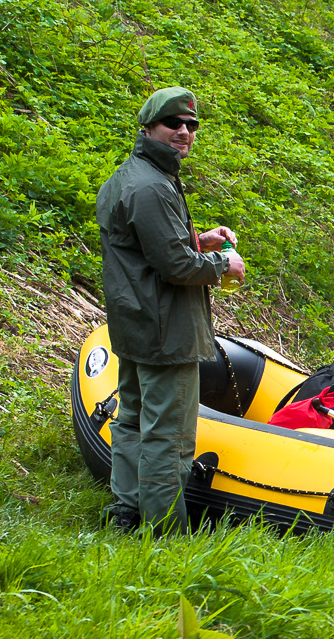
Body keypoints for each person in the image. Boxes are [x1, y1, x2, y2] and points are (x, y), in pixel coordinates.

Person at [97, 86, 244, 533]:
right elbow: (177, 266)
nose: (184, 132)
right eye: (173, 124)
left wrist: (200, 243)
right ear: (149, 127)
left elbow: (146, 252)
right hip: (166, 331)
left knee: (133, 421)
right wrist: (223, 263)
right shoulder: (151, 187)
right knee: (170, 438)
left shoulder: (130, 177)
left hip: (135, 323)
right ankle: (164, 534)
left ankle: (125, 513)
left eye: (191, 126)